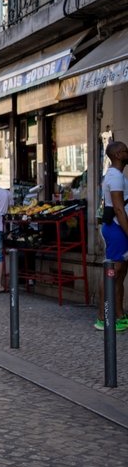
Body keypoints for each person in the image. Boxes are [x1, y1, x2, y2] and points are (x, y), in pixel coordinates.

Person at [99, 141, 128, 332]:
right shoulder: (116, 177)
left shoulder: (116, 175)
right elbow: (118, 208)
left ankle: (119, 314)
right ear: (118, 154)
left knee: (120, 275)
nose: (127, 152)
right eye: (125, 150)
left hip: (118, 229)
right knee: (113, 273)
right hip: (118, 229)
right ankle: (103, 316)